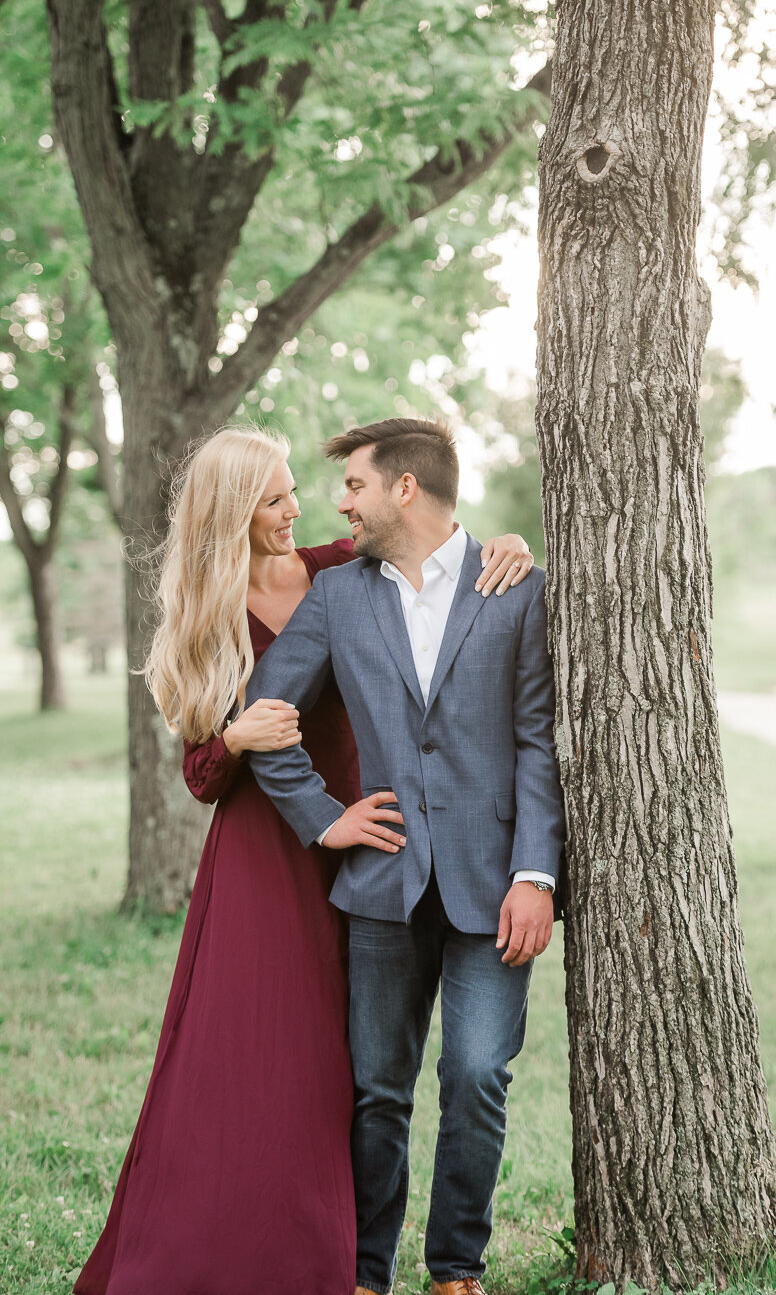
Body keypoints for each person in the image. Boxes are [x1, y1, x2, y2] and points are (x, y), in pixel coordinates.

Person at [74, 424, 533, 1295]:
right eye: (276, 499)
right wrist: (240, 739)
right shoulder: (207, 614)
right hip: (281, 847)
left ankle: (399, 1261)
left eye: (297, 492)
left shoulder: (335, 570)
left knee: (372, 1070)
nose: (300, 509)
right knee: (307, 1066)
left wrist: (498, 548)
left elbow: (428, 547)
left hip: (381, 837)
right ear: (235, 513)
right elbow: (200, 771)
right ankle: (308, 1253)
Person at [246, 416, 566, 1295]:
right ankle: (363, 1274)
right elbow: (266, 718)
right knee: (377, 1093)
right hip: (380, 883)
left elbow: (538, 742)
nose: (338, 502)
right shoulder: (339, 595)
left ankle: (455, 1270)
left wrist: (536, 875)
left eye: (352, 484)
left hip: (494, 883)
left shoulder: (514, 586)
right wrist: (322, 818)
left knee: (473, 1077)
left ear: (404, 488)